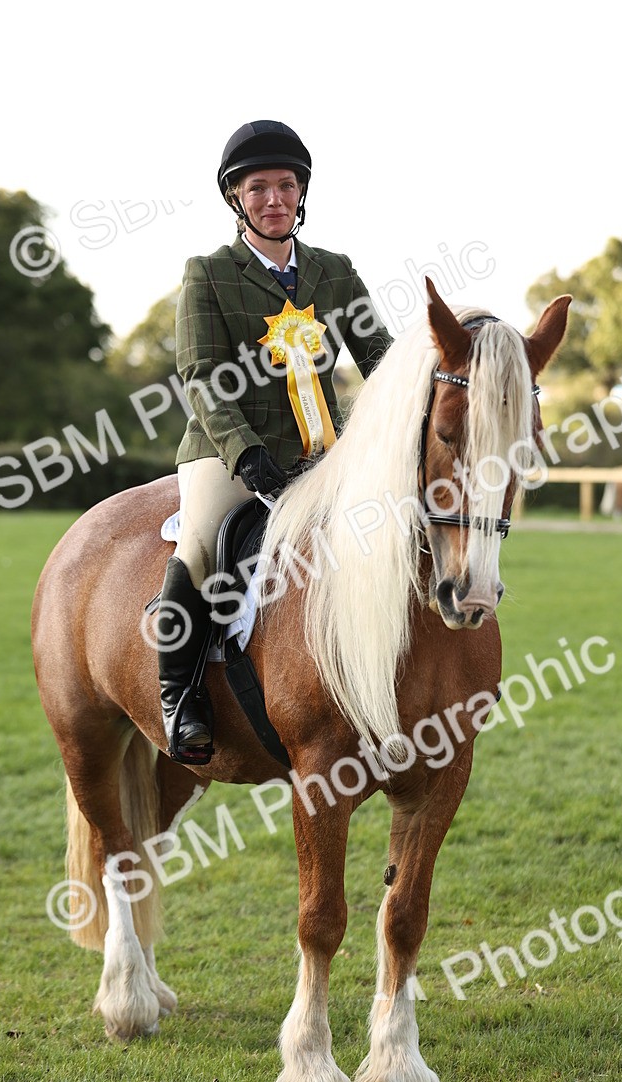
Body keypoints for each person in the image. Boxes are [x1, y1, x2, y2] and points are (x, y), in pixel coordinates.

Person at [158, 119, 392, 762]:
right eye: (257, 187)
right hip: (227, 452)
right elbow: (200, 375)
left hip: (323, 452)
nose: (273, 198)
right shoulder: (208, 273)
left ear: (301, 192)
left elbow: (380, 360)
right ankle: (179, 696)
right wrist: (248, 455)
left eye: (285, 185)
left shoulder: (334, 272)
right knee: (203, 542)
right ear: (236, 198)